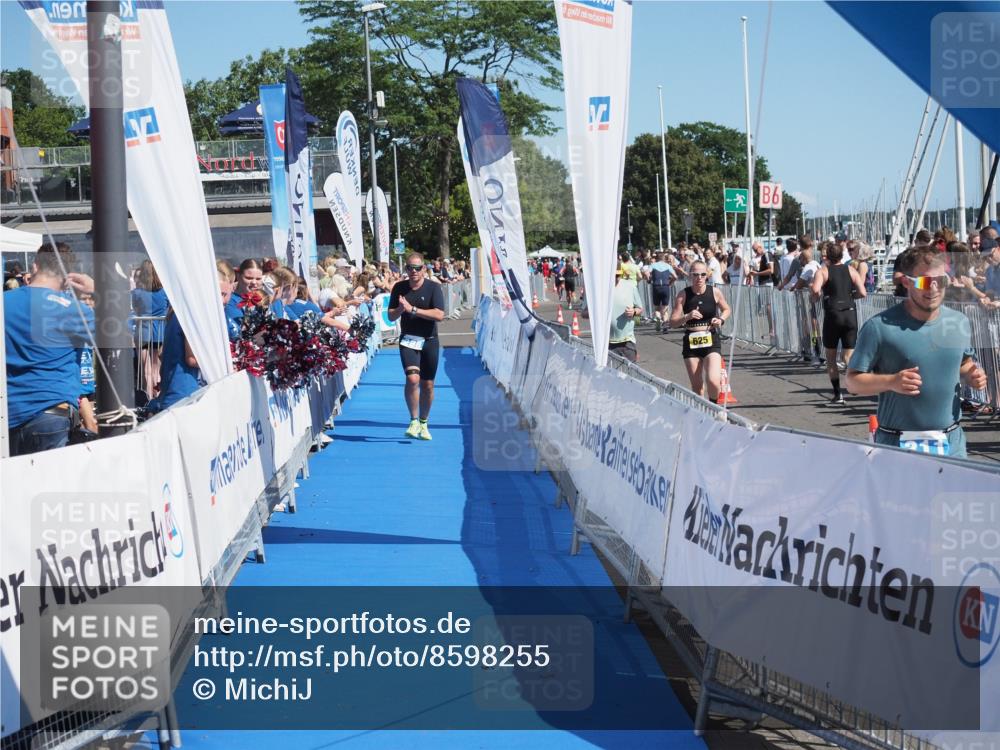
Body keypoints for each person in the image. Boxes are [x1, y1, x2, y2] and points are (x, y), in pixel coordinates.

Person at [846, 246, 987, 459]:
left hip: (952, 441)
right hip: (898, 443)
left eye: (941, 281)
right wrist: (891, 381)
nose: (934, 289)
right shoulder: (879, 327)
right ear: (906, 282)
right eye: (925, 282)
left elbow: (964, 363)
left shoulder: (958, 321)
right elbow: (852, 382)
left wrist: (973, 374)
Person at [4, 242, 95, 456]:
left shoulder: (4, 302)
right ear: (67, 276)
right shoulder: (72, 309)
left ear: (35, 266)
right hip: (53, 413)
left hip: (9, 415)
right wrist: (96, 291)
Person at [388, 252, 445, 441]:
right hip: (408, 340)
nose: (414, 271)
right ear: (406, 269)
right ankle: (413, 421)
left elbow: (439, 315)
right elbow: (390, 316)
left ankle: (423, 422)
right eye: (410, 268)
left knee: (427, 385)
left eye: (418, 268)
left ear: (424, 269)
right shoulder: (399, 288)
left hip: (429, 340)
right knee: (412, 379)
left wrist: (413, 310)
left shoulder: (433, 288)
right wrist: (400, 309)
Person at [810, 241, 867, 405]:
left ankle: (838, 394)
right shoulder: (851, 270)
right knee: (848, 356)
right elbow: (863, 292)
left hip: (833, 314)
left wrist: (815, 297)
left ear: (827, 256)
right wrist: (851, 297)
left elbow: (815, 290)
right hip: (850, 314)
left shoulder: (823, 271)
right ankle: (855, 384)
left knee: (831, 357)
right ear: (842, 255)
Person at [669, 260, 731, 400]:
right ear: (690, 275)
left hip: (711, 339)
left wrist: (721, 319)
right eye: (696, 274)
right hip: (691, 342)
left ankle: (713, 407)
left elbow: (727, 309)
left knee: (713, 381)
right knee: (697, 387)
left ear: (707, 275)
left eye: (703, 274)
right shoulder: (683, 295)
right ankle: (701, 411)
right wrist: (687, 316)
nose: (699, 278)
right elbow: (672, 322)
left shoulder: (714, 292)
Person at [131, 259, 168, 399]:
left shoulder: (137, 293)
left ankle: (148, 397)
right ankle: (158, 394)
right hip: (160, 332)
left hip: (143, 332)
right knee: (156, 367)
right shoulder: (164, 292)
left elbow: (135, 309)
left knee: (145, 368)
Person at [608, 264, 643, 362]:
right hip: (606, 341)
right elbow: (585, 313)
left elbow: (640, 308)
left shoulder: (630, 286)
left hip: (627, 341)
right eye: (613, 275)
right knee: (609, 371)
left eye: (618, 275)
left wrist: (634, 311)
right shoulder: (600, 287)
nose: (616, 278)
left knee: (631, 370)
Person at [648, 251, 676, 332]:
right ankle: (665, 324)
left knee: (657, 307)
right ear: (664, 259)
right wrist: (670, 282)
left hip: (656, 287)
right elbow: (675, 276)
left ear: (657, 258)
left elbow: (646, 272)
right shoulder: (668, 266)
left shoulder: (653, 265)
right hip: (665, 286)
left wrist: (649, 280)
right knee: (665, 307)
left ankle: (658, 318)